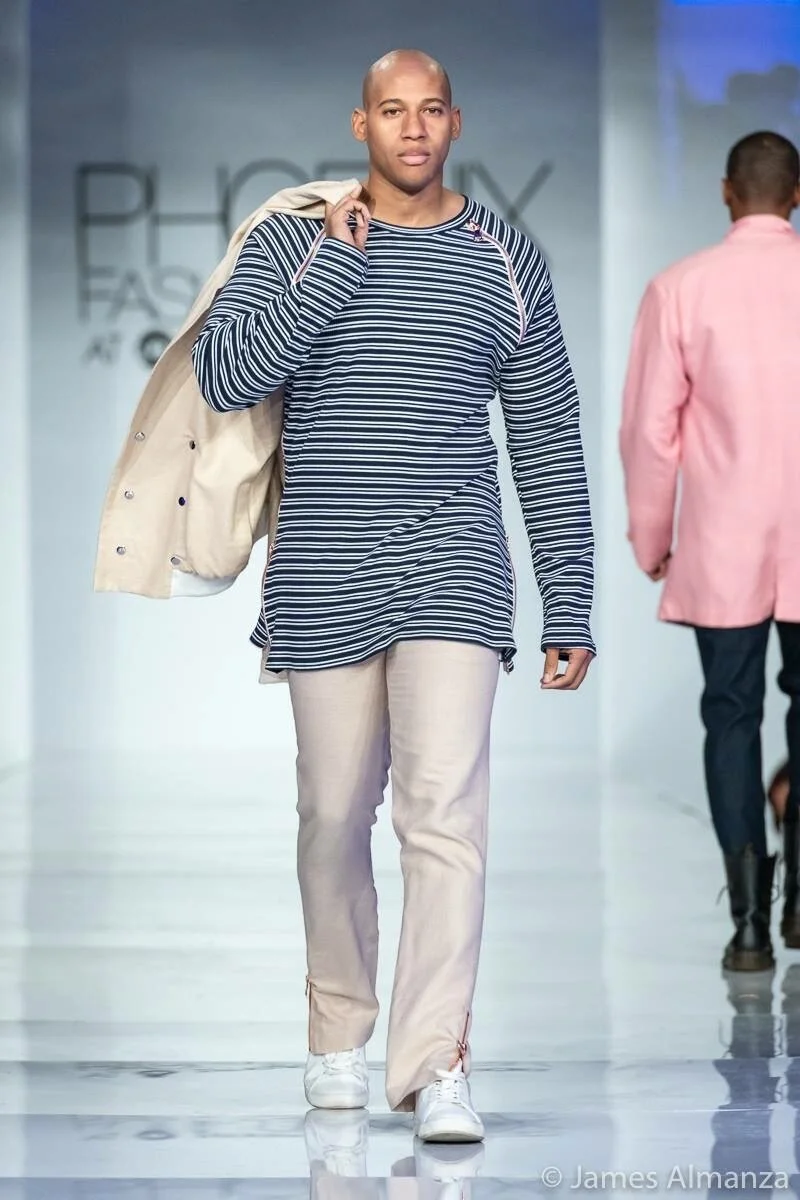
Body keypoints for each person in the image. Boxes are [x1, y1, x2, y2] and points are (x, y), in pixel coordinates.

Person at [192, 48, 595, 1142]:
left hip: (455, 567)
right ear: (359, 124)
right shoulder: (291, 240)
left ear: (455, 123)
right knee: (332, 817)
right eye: (391, 110)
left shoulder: (504, 256)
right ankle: (338, 1031)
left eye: (429, 110)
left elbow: (546, 434)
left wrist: (567, 597)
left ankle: (434, 1066)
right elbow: (227, 376)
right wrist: (330, 270)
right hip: (325, 569)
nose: (411, 128)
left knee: (444, 817)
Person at [620, 130, 800, 974]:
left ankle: (750, 926)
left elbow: (649, 431)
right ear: (797, 195)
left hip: (724, 543)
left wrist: (653, 536)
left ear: (727, 191)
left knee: (731, 717)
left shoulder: (680, 289)